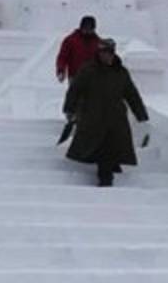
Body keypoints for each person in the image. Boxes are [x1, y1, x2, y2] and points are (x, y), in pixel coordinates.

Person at [62, 38, 150, 187]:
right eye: (103, 52)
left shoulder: (121, 72)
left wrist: (141, 114)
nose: (106, 56)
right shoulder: (88, 70)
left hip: (116, 119)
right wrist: (69, 109)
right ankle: (105, 178)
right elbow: (75, 90)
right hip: (92, 118)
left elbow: (131, 94)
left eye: (109, 52)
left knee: (112, 146)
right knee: (101, 148)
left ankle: (110, 169)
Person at [56, 16, 100, 83]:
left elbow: (104, 59)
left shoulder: (98, 42)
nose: (88, 31)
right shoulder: (71, 40)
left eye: (90, 29)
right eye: (86, 28)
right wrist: (61, 70)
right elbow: (62, 57)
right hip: (75, 77)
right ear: (81, 27)